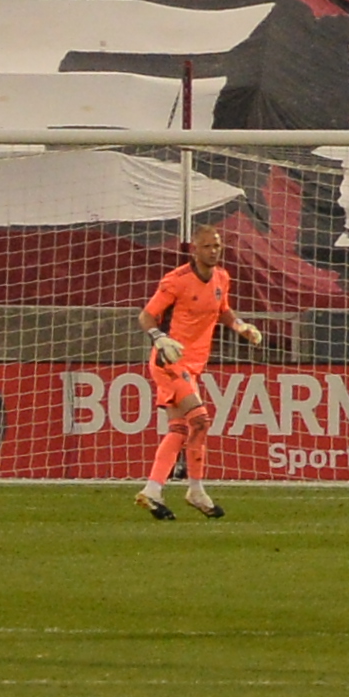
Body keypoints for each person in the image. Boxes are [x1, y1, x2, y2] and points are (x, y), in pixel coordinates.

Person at [135, 220, 271, 520]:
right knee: (200, 420)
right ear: (194, 250)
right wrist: (160, 338)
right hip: (169, 359)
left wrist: (241, 326)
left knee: (181, 428)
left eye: (217, 245)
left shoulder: (222, 277)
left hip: (194, 364)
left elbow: (222, 310)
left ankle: (154, 490)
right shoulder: (177, 280)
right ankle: (194, 490)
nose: (213, 250)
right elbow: (147, 316)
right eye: (207, 246)